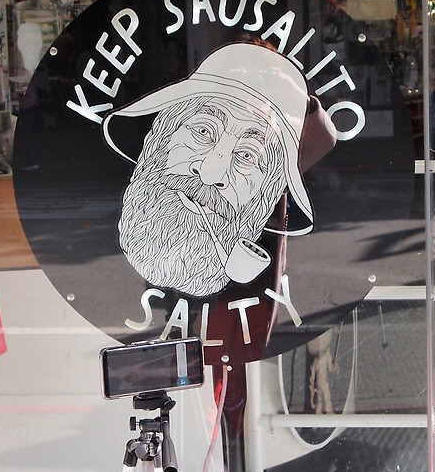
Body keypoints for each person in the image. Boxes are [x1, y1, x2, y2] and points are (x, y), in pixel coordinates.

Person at [105, 43, 326, 298]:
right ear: (160, 139)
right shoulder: (157, 224)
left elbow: (324, 139)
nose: (210, 175)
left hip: (245, 301)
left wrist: (297, 99)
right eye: (203, 132)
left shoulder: (279, 138)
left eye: (246, 155)